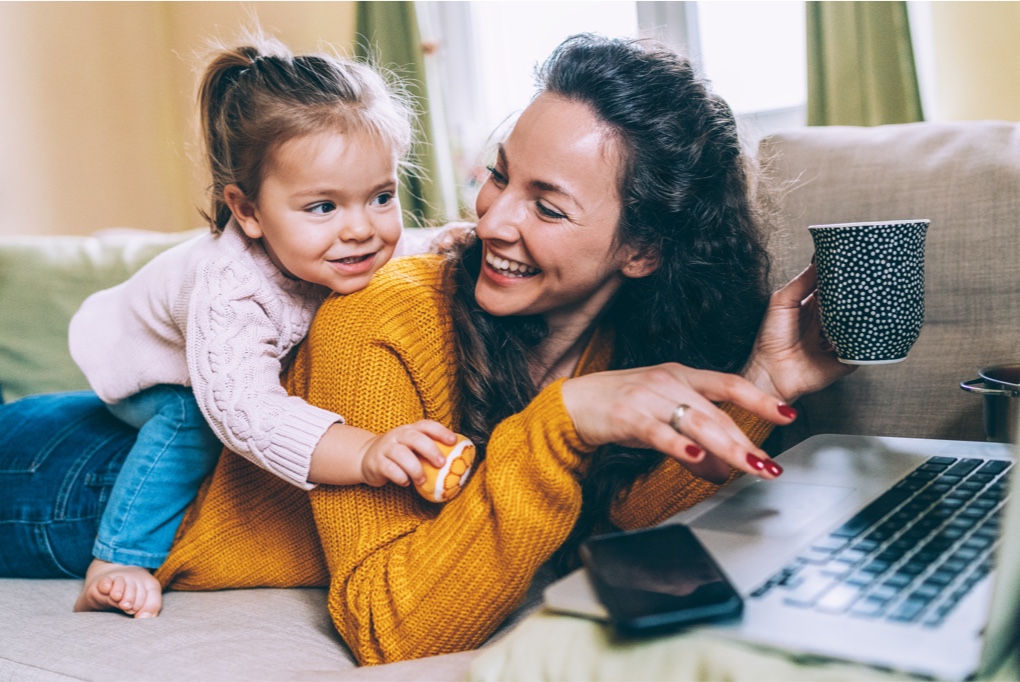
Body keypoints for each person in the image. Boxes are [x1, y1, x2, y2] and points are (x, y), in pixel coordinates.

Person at [0, 34, 849, 664]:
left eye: (546, 206)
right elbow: (386, 624)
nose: (494, 218)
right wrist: (558, 426)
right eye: (499, 174)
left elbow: (624, 514)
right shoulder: (380, 314)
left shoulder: (614, 345)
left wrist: (758, 387)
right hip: (76, 486)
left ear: (642, 253)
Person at [57, 36, 458, 619]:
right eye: (323, 207)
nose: (362, 230)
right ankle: (119, 555)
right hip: (144, 366)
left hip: (211, 354)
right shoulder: (232, 291)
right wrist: (365, 451)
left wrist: (456, 245)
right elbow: (249, 416)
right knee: (191, 419)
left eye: (381, 196)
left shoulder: (354, 249)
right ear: (246, 211)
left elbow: (414, 248)